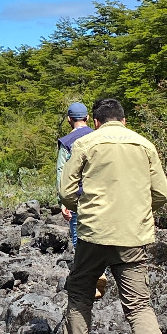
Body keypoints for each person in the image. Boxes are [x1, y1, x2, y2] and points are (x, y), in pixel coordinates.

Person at [55, 97, 167, 334]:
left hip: (93, 234)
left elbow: (66, 192)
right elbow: (162, 192)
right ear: (124, 120)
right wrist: (139, 210)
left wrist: (84, 205)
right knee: (138, 304)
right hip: (133, 235)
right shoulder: (144, 145)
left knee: (80, 294)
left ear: (95, 122)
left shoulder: (85, 144)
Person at [56, 102, 94, 246]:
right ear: (88, 118)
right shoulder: (99, 137)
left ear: (68, 119)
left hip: (77, 198)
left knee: (79, 244)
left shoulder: (66, 142)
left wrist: (63, 202)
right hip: (102, 198)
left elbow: (61, 171)